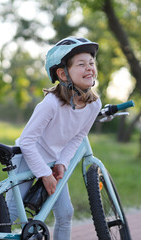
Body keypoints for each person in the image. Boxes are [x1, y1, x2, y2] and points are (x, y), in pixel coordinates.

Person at [6, 37, 102, 239]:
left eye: (91, 63)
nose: (89, 68)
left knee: (66, 213)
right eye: (81, 64)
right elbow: (26, 142)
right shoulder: (51, 104)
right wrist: (44, 174)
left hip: (52, 162)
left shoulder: (94, 105)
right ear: (62, 73)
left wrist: (61, 164)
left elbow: (78, 138)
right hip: (26, 158)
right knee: (11, 214)